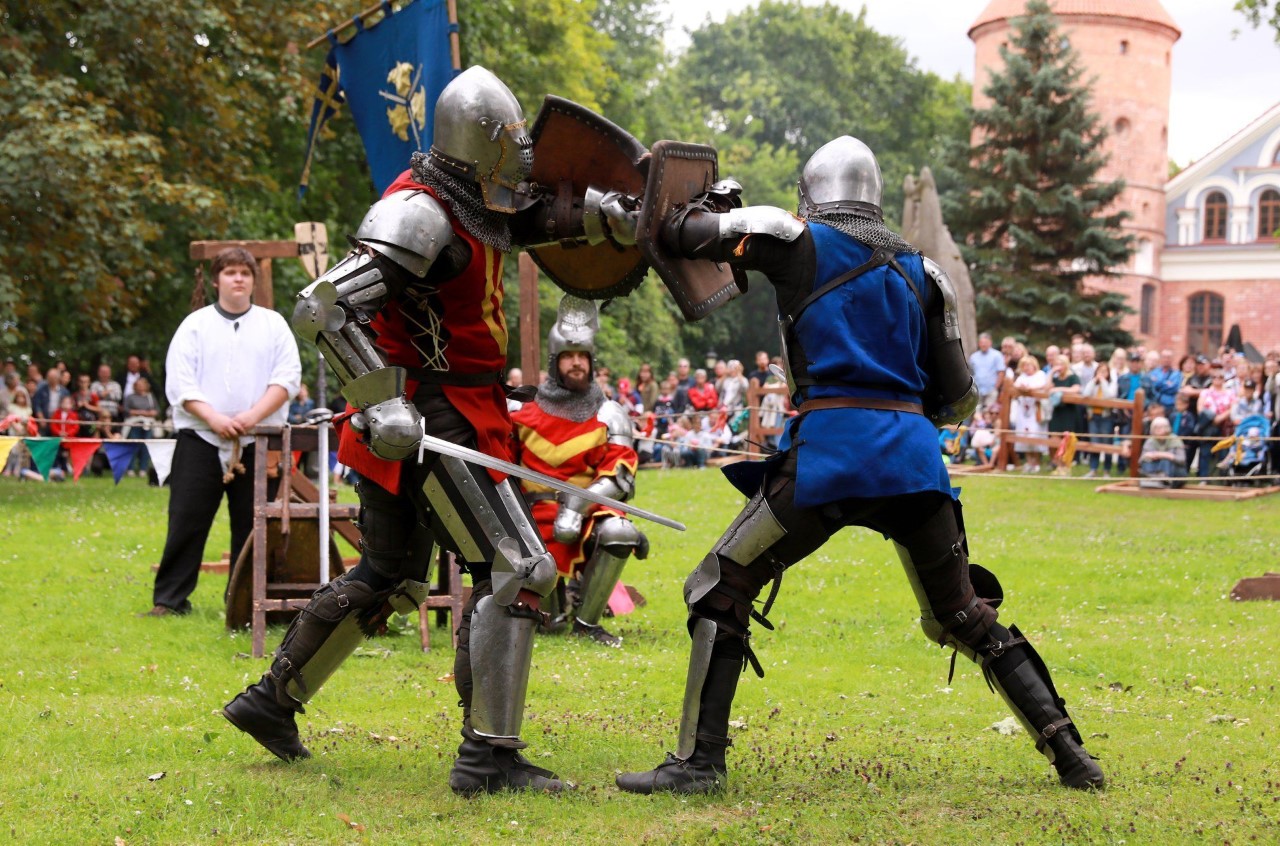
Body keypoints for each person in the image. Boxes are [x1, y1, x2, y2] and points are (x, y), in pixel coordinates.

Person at [616, 136, 1103, 795]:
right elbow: (957, 397)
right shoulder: (924, 273)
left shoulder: (794, 240)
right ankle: (1073, 756)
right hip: (914, 461)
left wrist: (701, 207)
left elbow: (683, 232)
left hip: (833, 457)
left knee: (717, 586)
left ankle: (698, 765)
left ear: (812, 193)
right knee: (961, 613)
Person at [221, 67, 641, 795]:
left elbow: (529, 219)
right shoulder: (419, 212)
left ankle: (270, 701)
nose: (520, 159)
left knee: (392, 575)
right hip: (424, 415)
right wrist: (381, 403)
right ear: (479, 144)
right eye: (509, 144)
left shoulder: (473, 200)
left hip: (450, 409)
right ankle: (488, 758)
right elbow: (324, 307)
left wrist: (601, 214)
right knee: (518, 568)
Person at [146, 247, 301, 615]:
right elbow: (180, 383)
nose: (238, 279)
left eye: (245, 273)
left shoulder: (273, 324)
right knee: (186, 519)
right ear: (216, 280)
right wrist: (214, 419)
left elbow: (287, 378)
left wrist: (251, 418)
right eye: (230, 272)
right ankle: (170, 601)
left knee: (252, 527)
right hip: (200, 437)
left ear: (253, 280)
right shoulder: (194, 325)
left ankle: (245, 601)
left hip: (258, 440)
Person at [509, 296, 647, 647]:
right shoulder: (521, 413)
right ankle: (552, 611)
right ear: (556, 362)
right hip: (533, 514)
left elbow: (620, 476)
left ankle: (588, 622)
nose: (576, 363)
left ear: (591, 360)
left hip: (587, 509)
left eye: (581, 357)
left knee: (619, 530)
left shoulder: (608, 414)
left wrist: (574, 507)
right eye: (569, 357)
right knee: (550, 625)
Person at [1011, 355, 1049, 473]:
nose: (1026, 368)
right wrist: (1022, 387)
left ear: (1034, 365)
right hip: (1023, 411)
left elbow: (1043, 386)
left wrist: (1029, 388)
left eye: (1028, 365)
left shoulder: (1040, 375)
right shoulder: (1022, 377)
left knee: (1035, 434)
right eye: (1024, 366)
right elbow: (1015, 385)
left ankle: (1037, 462)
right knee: (1024, 436)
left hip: (1035, 410)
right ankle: (1029, 462)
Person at [1080, 361, 1117, 478]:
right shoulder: (1092, 383)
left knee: (1107, 443)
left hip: (1106, 417)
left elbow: (1108, 396)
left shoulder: (1112, 384)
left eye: (1104, 372)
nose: (1101, 374)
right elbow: (1085, 394)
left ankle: (1106, 470)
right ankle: (1093, 469)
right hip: (1093, 416)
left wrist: (1103, 382)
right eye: (1099, 371)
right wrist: (1094, 381)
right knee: (1094, 443)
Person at [1138, 416, 1187, 488]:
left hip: (1174, 471)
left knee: (1165, 460)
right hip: (1155, 468)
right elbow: (1141, 460)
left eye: (1161, 427)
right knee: (1146, 462)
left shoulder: (1175, 440)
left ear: (1167, 428)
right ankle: (1154, 479)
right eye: (1156, 428)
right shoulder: (1150, 441)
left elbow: (1182, 460)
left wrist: (1166, 455)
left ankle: (1164, 480)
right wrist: (1148, 456)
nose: (1158, 430)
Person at [968, 332, 1004, 406]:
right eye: (981, 342)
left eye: (985, 342)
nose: (983, 344)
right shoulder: (973, 357)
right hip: (977, 391)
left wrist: (995, 388)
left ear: (990, 342)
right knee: (978, 414)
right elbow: (970, 373)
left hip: (991, 390)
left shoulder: (997, 355)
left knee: (989, 413)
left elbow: (1001, 372)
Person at [31, 366, 69, 435]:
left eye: (52, 378)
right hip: (45, 420)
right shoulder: (41, 390)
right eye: (49, 377)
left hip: (59, 422)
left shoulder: (64, 392)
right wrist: (41, 418)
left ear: (57, 378)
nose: (49, 380)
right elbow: (37, 405)